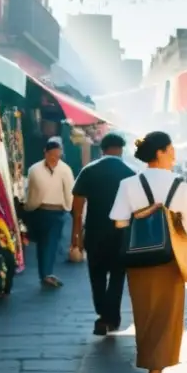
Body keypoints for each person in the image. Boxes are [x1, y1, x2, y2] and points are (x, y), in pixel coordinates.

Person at [110, 131, 187, 373]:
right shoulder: (180, 185)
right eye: (171, 149)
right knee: (167, 314)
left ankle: (149, 361)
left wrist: (144, 214)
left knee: (144, 312)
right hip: (170, 258)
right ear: (160, 152)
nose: (174, 154)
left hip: (137, 258)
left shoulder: (128, 184)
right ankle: (156, 370)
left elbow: (119, 221)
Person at [72, 133, 135, 336]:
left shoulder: (89, 171)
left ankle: (103, 315)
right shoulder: (131, 173)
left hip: (95, 233)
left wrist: (76, 238)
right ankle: (111, 318)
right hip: (122, 235)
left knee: (97, 276)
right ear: (121, 150)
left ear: (102, 149)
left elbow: (77, 209)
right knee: (117, 278)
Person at [25, 136, 76, 288]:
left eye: (57, 154)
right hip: (40, 211)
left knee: (51, 242)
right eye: (52, 154)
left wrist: (68, 208)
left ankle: (46, 273)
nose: (54, 157)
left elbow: (69, 192)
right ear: (45, 153)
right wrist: (29, 208)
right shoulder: (34, 169)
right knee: (44, 243)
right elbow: (32, 192)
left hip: (58, 212)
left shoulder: (65, 170)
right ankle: (45, 273)